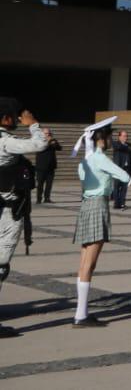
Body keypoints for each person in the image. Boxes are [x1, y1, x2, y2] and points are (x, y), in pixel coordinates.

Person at [68, 118, 129, 329]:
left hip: (86, 206)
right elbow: (123, 175)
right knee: (90, 263)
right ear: (102, 138)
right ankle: (81, 315)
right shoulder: (99, 158)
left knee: (84, 261)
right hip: (97, 207)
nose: (112, 139)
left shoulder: (85, 160)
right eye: (110, 136)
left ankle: (81, 311)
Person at [0, 99, 48, 338]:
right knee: (0, 263)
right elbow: (39, 144)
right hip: (8, 212)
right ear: (6, 118)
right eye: (14, 116)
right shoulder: (6, 141)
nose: (18, 119)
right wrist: (34, 124)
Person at [108, 130, 131, 210]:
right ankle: (116, 204)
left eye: (126, 136)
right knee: (116, 187)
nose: (125, 137)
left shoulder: (130, 145)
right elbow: (119, 147)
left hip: (127, 169)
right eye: (123, 136)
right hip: (118, 169)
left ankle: (122, 203)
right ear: (119, 137)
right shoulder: (116, 144)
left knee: (124, 187)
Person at [33, 129, 59, 204]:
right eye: (46, 133)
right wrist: (48, 142)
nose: (48, 135)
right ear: (42, 134)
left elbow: (59, 148)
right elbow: (40, 148)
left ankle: (47, 198)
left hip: (51, 167)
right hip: (41, 167)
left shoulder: (53, 140)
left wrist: (54, 142)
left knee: (49, 184)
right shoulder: (39, 141)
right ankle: (38, 199)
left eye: (49, 133)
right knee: (40, 184)